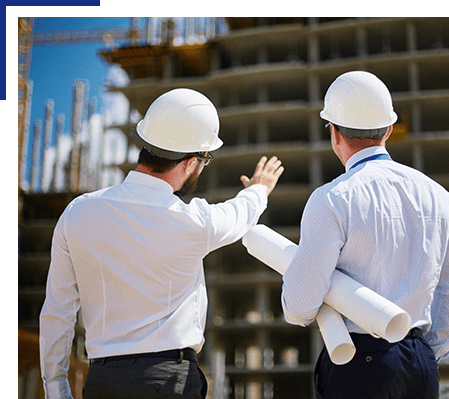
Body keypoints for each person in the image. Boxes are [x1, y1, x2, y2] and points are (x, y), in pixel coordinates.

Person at [39, 88, 284, 399]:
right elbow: (239, 214)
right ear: (191, 161)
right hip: (168, 382)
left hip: (102, 382)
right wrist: (259, 189)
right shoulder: (192, 221)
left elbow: (57, 311)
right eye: (204, 160)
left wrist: (56, 389)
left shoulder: (78, 213)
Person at [281, 71, 449, 399]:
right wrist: (426, 353)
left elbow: (299, 307)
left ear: (334, 133)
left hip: (358, 363)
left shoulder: (333, 199)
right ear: (388, 129)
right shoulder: (438, 196)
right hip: (420, 364)